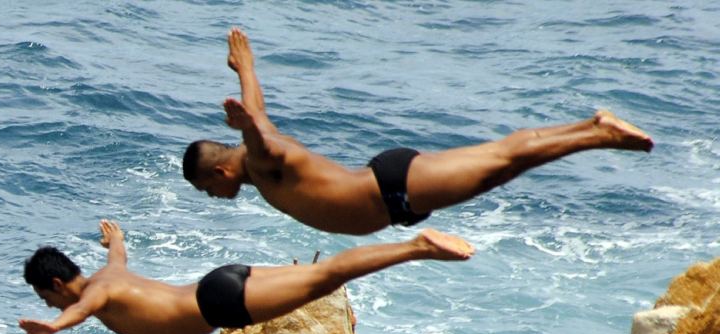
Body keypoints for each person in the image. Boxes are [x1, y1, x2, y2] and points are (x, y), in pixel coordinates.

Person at [182, 28, 654, 236]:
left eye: (208, 190)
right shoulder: (259, 152)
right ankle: (592, 125)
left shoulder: (260, 164)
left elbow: (259, 138)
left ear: (221, 172)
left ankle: (600, 136)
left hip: (392, 190)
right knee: (500, 157)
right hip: (391, 188)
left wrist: (246, 125)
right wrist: (245, 68)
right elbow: (259, 118)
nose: (214, 197)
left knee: (501, 167)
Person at [19, 219, 474, 334]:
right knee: (318, 277)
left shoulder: (96, 293)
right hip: (219, 283)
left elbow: (80, 310)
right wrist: (113, 238)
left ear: (58, 283)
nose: (47, 306)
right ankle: (338, 311)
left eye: (44, 298)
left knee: (328, 273)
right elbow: (119, 254)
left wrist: (55, 328)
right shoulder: (108, 274)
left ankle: (417, 248)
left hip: (219, 304)